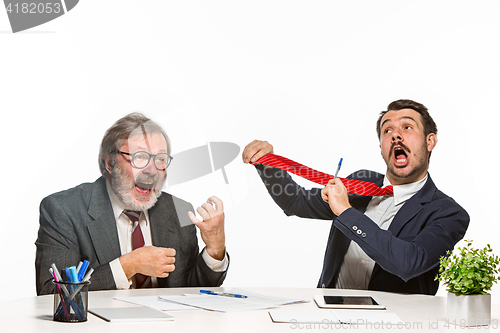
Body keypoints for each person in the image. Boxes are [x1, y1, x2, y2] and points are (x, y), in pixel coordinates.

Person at [242, 99, 469, 295]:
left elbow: (409, 263)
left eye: (407, 127)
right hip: (329, 318)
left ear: (430, 142)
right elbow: (296, 202)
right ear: (381, 146)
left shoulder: (448, 213)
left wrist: (346, 212)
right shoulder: (359, 182)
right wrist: (269, 166)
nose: (396, 135)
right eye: (387, 130)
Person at [36, 113, 228, 295]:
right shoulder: (64, 210)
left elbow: (193, 293)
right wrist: (128, 266)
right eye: (140, 157)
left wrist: (215, 250)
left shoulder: (179, 210)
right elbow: (51, 293)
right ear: (110, 163)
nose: (152, 170)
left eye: (160, 159)